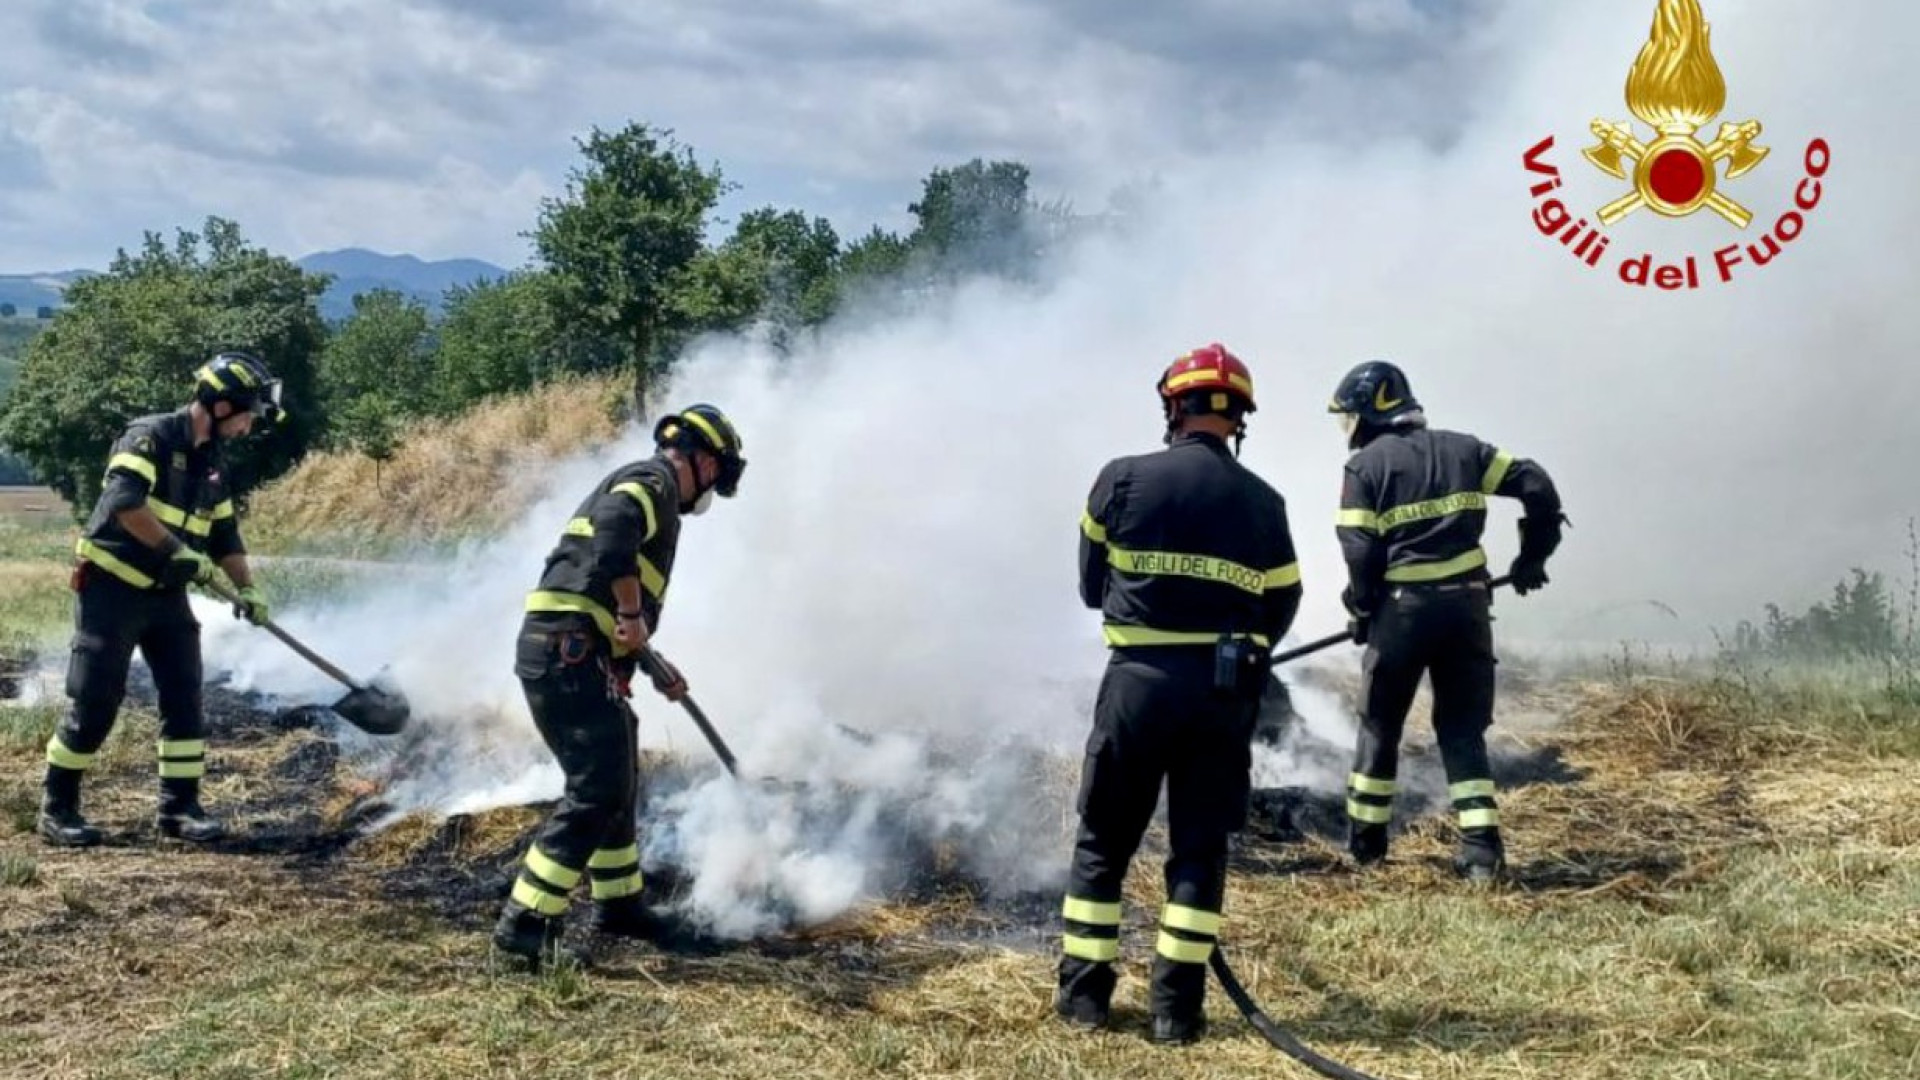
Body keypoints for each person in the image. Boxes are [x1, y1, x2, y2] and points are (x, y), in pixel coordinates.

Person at [1057, 344, 1303, 1045]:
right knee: (1198, 849)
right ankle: (1176, 1012)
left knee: (1104, 838)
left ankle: (1084, 1001)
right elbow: (1284, 600)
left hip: (1136, 687)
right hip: (1223, 694)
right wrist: (1245, 645)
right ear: (1240, 418)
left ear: (1173, 406)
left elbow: (1088, 586)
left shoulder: (1122, 478)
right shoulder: (1265, 503)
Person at [492, 403, 747, 968]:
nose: (713, 488)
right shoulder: (652, 480)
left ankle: (619, 903)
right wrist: (632, 613)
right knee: (597, 787)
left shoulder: (650, 487)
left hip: (575, 651)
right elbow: (612, 530)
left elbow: (606, 604)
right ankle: (523, 929)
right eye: (718, 472)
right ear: (703, 459)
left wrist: (653, 664)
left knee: (620, 776)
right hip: (568, 652)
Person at [1326, 360, 1565, 881]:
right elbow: (1538, 485)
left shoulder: (1365, 469)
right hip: (1467, 609)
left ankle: (1367, 848)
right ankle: (1482, 851)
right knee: (1460, 729)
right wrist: (1533, 558)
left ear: (1370, 411)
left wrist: (1363, 609)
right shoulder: (1467, 450)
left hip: (1404, 613)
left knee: (1380, 724)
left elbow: (1360, 552)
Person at [39, 351, 283, 847]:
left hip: (165, 596)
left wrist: (248, 588)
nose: (246, 427)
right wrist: (177, 551)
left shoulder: (214, 463)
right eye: (245, 415)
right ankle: (57, 807)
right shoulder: (147, 438)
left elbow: (225, 536)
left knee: (184, 692)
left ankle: (179, 809)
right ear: (219, 406)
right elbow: (125, 506)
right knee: (96, 699)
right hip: (112, 590)